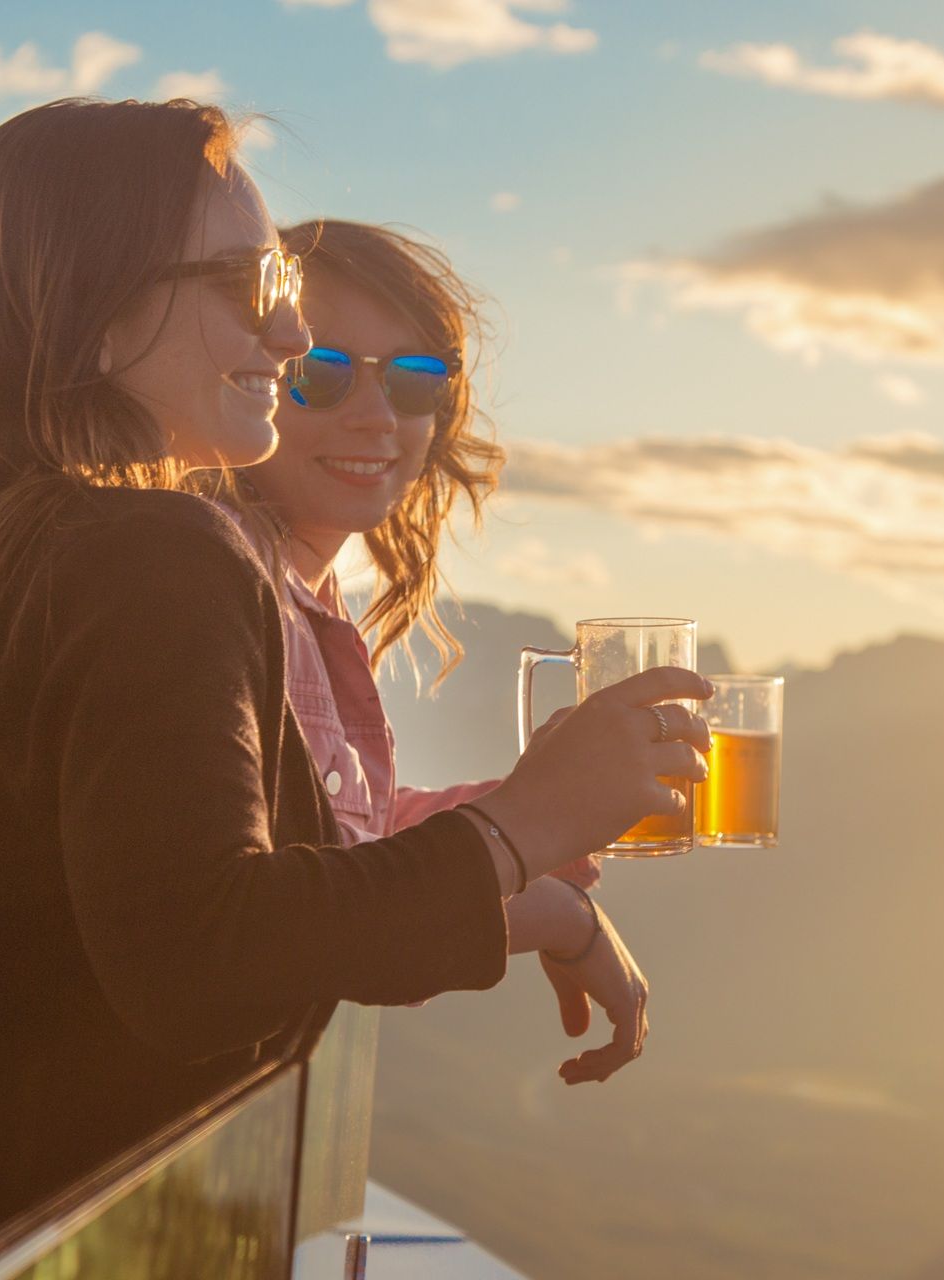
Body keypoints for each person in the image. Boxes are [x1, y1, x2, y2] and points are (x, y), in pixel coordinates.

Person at [0, 98, 709, 1280]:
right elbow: (205, 958)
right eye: (249, 282)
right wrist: (520, 824)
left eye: (279, 277)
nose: (287, 331)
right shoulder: (158, 556)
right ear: (89, 316)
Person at [224, 218, 649, 1061]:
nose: (377, 415)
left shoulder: (299, 594)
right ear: (255, 378)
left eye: (414, 381)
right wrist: (545, 895)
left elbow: (338, 839)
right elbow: (292, 932)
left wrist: (530, 807)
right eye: (320, 373)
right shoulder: (228, 589)